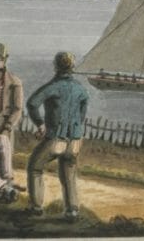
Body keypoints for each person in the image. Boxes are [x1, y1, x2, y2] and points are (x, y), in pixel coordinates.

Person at [25, 51, 89, 221]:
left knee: (35, 167)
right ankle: (72, 210)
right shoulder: (81, 89)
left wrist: (40, 124)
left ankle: (36, 207)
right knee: (69, 173)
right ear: (73, 67)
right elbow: (82, 114)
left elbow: (32, 103)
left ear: (56, 66)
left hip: (55, 139)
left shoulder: (52, 87)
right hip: (75, 140)